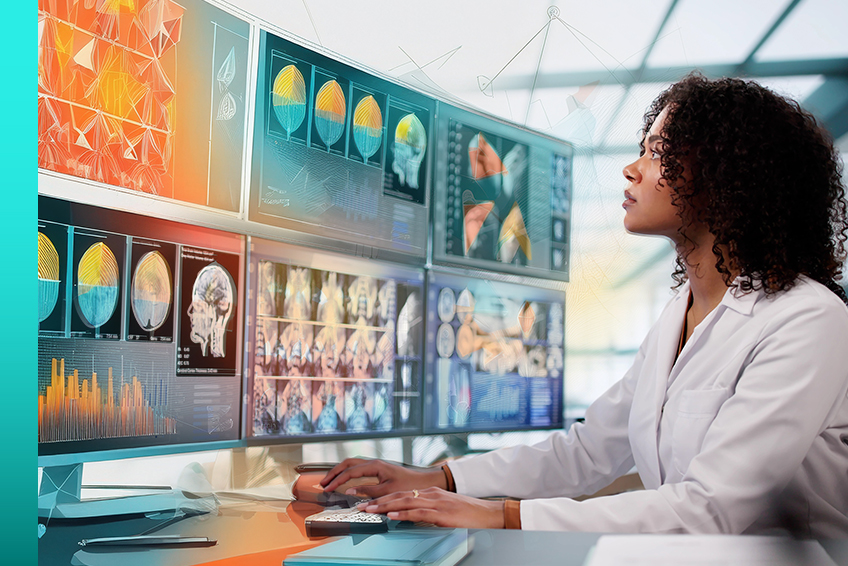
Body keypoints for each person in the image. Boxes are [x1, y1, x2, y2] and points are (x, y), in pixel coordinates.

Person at [320, 74, 848, 537]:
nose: (631, 169)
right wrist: (440, 478)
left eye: (659, 152)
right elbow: (591, 450)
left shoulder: (808, 321)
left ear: (730, 177)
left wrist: (502, 515)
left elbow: (710, 508)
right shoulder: (678, 315)